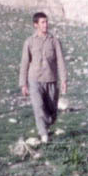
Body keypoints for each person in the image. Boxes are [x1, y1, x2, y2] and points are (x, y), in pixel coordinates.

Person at [19, 12, 67, 143]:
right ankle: (43, 134)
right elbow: (24, 63)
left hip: (51, 79)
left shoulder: (54, 41)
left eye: (46, 22)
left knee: (51, 110)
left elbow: (61, 61)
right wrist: (23, 84)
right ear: (36, 25)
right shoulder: (29, 42)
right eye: (42, 22)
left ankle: (48, 124)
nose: (46, 25)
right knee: (38, 106)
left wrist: (64, 80)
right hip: (35, 80)